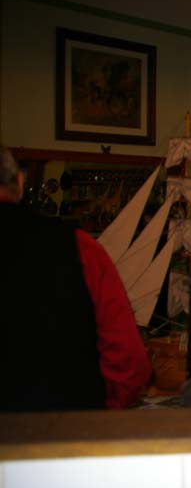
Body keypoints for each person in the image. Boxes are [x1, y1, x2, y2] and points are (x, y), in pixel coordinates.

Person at [0, 145, 152, 411]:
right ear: (20, 182)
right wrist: (98, 414)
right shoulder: (79, 247)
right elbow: (127, 361)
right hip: (66, 424)